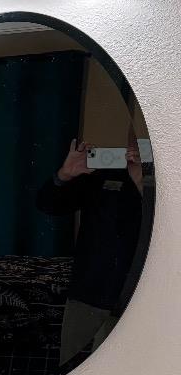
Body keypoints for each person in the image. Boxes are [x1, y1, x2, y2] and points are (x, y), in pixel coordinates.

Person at [36, 134, 146, 363]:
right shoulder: (102, 174)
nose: (135, 145)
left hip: (140, 295)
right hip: (88, 293)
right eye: (133, 138)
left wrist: (143, 185)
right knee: (72, 369)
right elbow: (48, 205)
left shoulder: (170, 182)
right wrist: (64, 175)